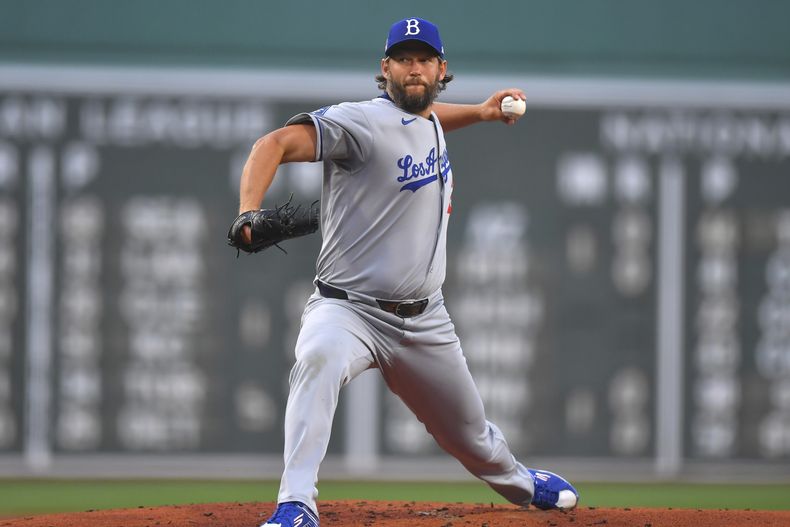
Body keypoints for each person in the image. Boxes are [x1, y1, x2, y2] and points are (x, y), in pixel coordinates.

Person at [237, 17, 579, 527]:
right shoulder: (358, 121)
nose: (413, 68)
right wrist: (247, 210)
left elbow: (426, 118)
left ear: (442, 70)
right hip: (346, 308)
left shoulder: (430, 119)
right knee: (317, 357)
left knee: (469, 435)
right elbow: (275, 144)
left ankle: (523, 484)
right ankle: (295, 504)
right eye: (403, 59)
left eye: (423, 60)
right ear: (385, 69)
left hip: (424, 321)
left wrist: (483, 112)